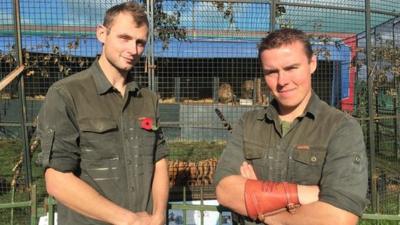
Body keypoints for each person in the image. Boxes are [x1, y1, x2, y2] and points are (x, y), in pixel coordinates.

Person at [214, 28, 368, 225]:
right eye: (271, 72)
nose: (282, 81)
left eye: (291, 68)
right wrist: (306, 194)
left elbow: (339, 217)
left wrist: (262, 207)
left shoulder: (340, 128)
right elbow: (226, 191)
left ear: (312, 64)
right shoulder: (249, 124)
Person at [37, 2, 169, 225]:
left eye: (140, 42)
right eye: (124, 38)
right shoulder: (67, 94)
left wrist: (159, 216)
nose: (133, 50)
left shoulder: (148, 99)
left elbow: (160, 160)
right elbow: (57, 179)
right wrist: (129, 220)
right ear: (102, 33)